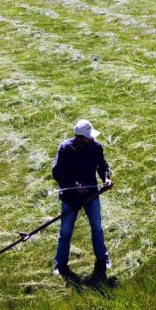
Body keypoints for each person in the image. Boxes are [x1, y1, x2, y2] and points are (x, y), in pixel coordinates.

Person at [52, 119, 113, 282]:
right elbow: (57, 172)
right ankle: (60, 264)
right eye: (88, 137)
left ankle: (102, 259)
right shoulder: (65, 148)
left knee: (97, 228)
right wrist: (75, 185)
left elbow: (102, 165)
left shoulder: (96, 147)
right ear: (79, 138)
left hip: (91, 195)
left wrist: (106, 178)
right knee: (65, 232)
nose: (91, 139)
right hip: (70, 197)